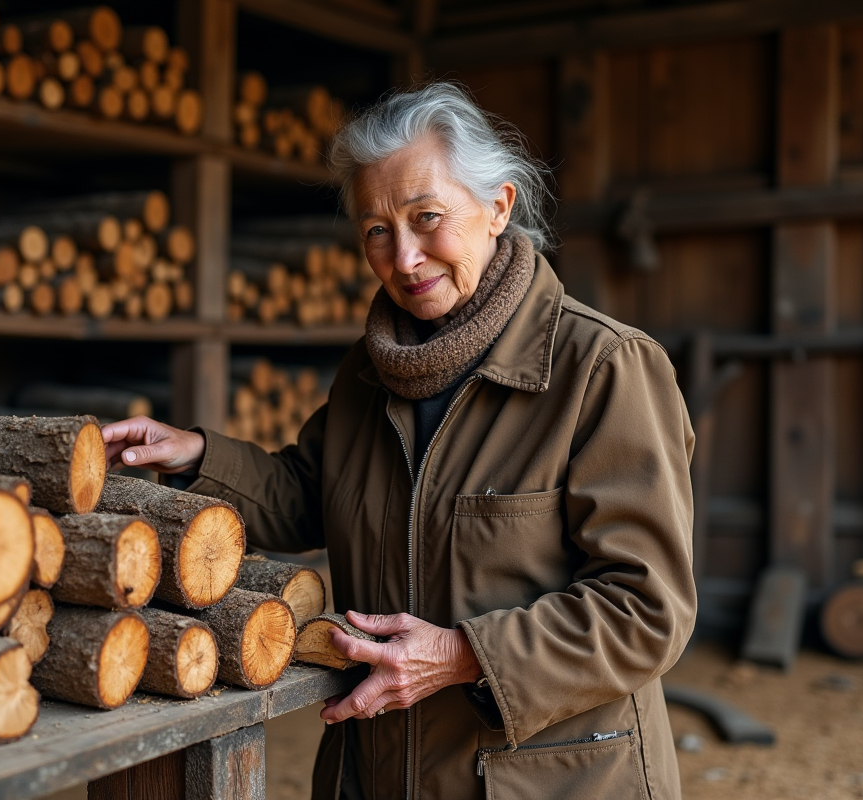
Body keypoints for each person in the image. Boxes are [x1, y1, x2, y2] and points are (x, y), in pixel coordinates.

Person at [102, 82, 696, 800]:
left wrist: (461, 655)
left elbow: (646, 609)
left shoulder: (601, 368)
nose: (405, 257)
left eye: (428, 217)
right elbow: (310, 496)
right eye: (377, 230)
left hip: (545, 779)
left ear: (498, 208)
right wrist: (193, 455)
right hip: (378, 770)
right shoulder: (370, 371)